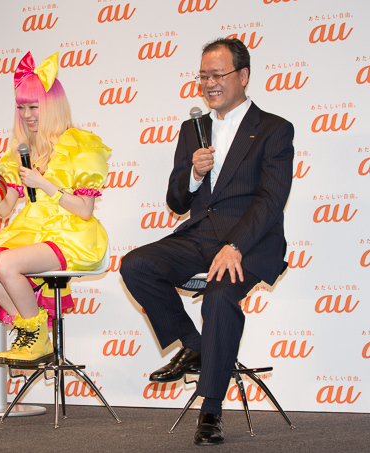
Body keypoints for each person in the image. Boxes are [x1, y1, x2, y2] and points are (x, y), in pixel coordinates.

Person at [120, 38, 294, 446]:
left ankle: (211, 408)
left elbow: (271, 200)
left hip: (249, 243)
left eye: (218, 74)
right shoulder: (192, 129)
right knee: (136, 265)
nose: (209, 83)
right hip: (199, 236)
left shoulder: (274, 129)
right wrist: (194, 176)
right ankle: (197, 347)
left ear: (243, 76)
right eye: (203, 76)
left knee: (219, 296)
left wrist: (235, 246)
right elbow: (175, 201)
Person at [0, 52, 111, 366]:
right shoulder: (19, 150)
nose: (27, 115)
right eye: (21, 107)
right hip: (35, 231)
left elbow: (84, 210)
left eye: (34, 107)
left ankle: (37, 336)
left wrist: (44, 184)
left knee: (4, 263)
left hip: (73, 233)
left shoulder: (79, 145)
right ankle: (32, 332)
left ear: (52, 106)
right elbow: (3, 208)